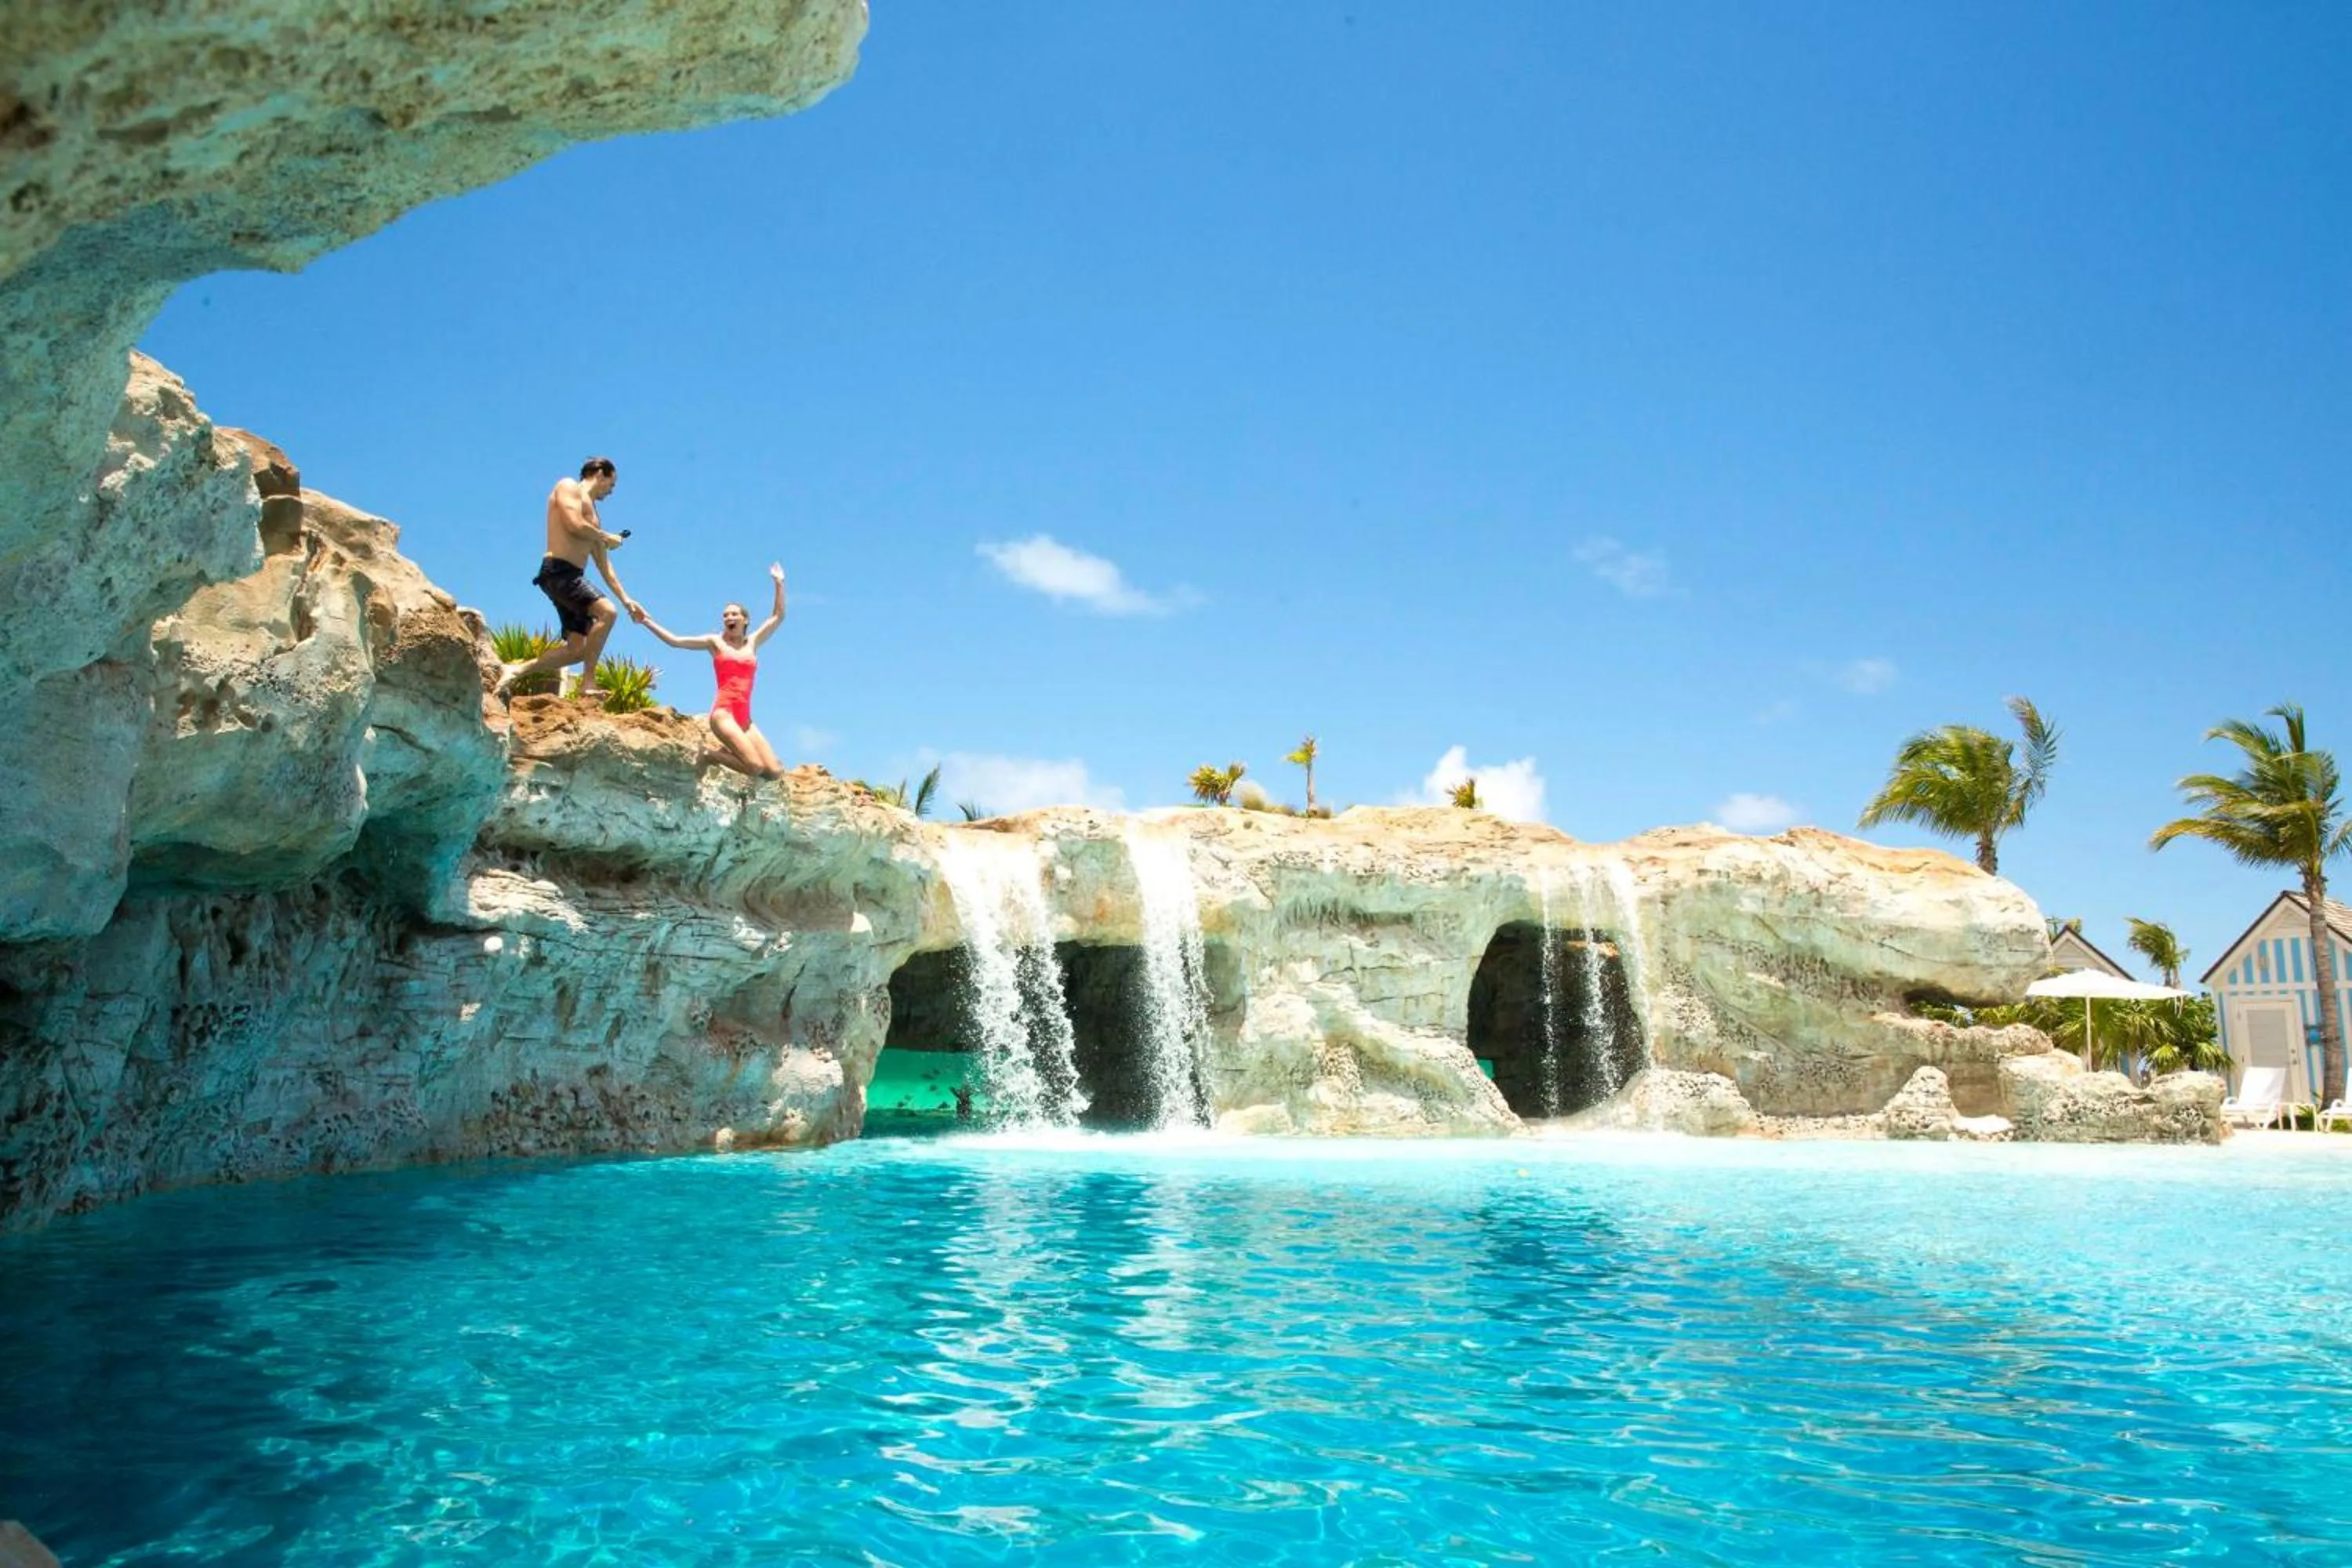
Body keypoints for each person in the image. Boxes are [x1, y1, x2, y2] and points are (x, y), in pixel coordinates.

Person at [496, 457, 642, 702]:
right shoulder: (568, 487)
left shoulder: (594, 518)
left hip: (573, 577)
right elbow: (574, 525)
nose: (611, 491)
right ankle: (587, 683)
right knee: (607, 612)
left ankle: (517, 670)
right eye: (611, 484)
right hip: (558, 571)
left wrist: (628, 600)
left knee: (577, 650)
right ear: (600, 473)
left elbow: (604, 566)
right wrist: (605, 536)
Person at [633, 563, 789, 779]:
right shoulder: (714, 643)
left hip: (745, 718)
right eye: (725, 616)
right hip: (723, 714)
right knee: (755, 767)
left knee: (774, 772)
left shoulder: (752, 643)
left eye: (734, 614)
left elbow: (777, 616)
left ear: (745, 620)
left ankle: (731, 750)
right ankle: (708, 755)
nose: (729, 618)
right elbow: (676, 641)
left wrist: (779, 582)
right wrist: (647, 622)